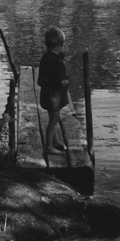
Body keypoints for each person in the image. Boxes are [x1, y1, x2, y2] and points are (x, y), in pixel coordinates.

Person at [38, 26, 69, 155]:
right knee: (53, 122)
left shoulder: (45, 58)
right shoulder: (58, 63)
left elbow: (40, 81)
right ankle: (49, 146)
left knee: (53, 119)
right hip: (54, 99)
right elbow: (62, 82)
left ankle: (55, 141)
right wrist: (67, 81)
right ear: (60, 44)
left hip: (45, 96)